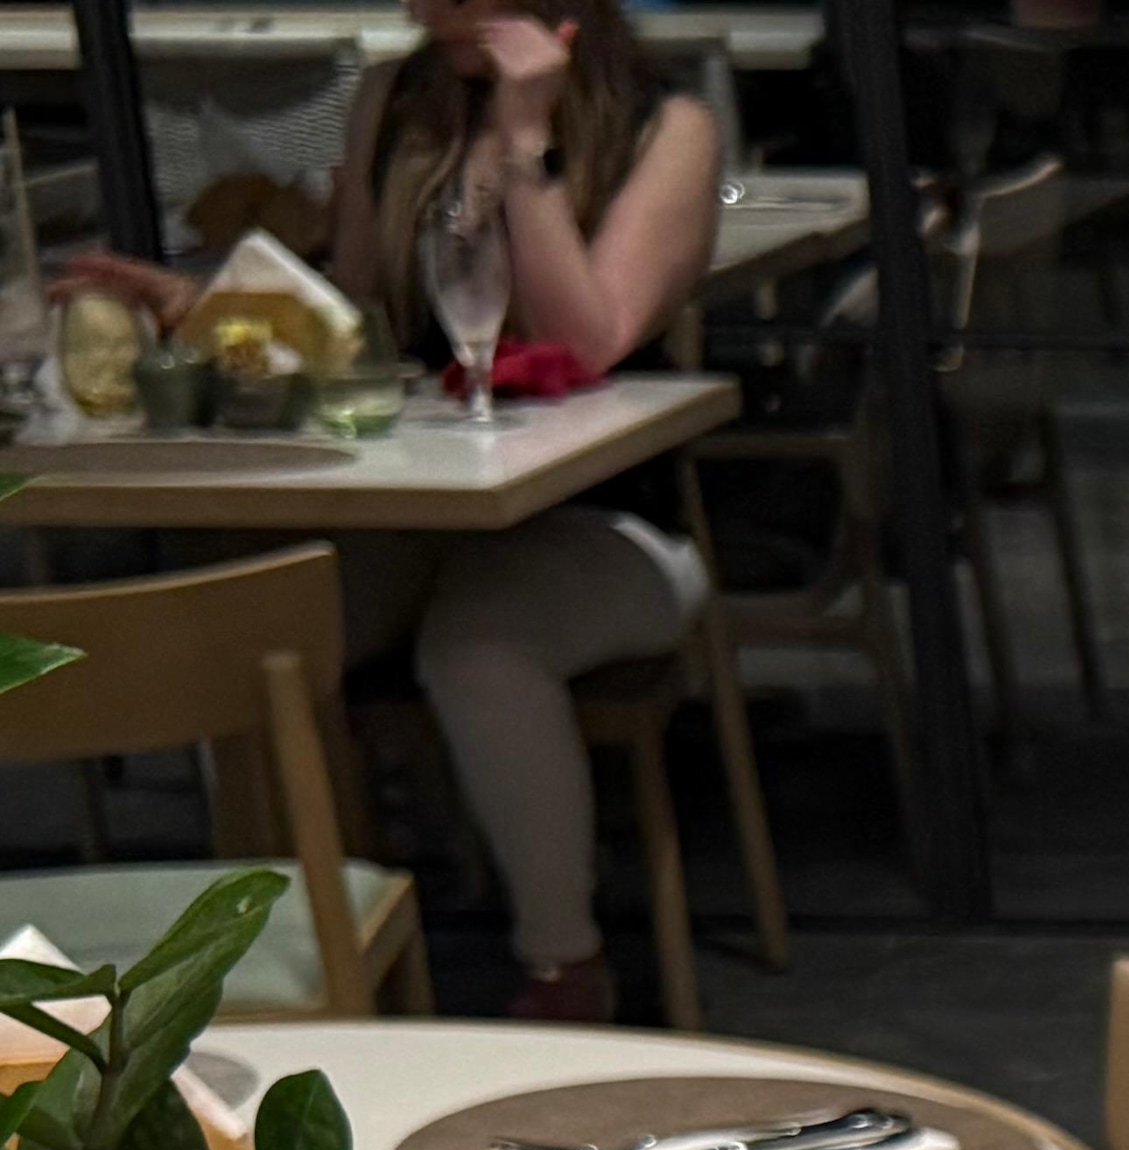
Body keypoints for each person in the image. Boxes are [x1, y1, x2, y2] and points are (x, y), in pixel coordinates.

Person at [60, 0, 722, 1019]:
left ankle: (565, 964)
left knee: (481, 646)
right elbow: (353, 324)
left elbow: (585, 339)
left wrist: (526, 142)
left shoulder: (665, 125)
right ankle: (289, 949)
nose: (420, 10)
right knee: (260, 623)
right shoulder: (397, 98)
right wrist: (210, 313)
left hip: (607, 518)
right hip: (427, 509)